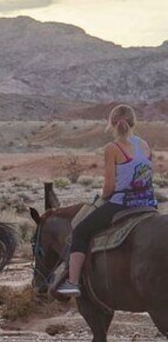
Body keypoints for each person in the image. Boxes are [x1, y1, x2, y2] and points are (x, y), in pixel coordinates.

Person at [56, 104, 156, 297]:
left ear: (111, 124)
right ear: (134, 122)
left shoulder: (113, 148)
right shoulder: (144, 144)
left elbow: (109, 187)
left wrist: (102, 197)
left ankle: (73, 282)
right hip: (148, 203)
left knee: (80, 230)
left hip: (122, 203)